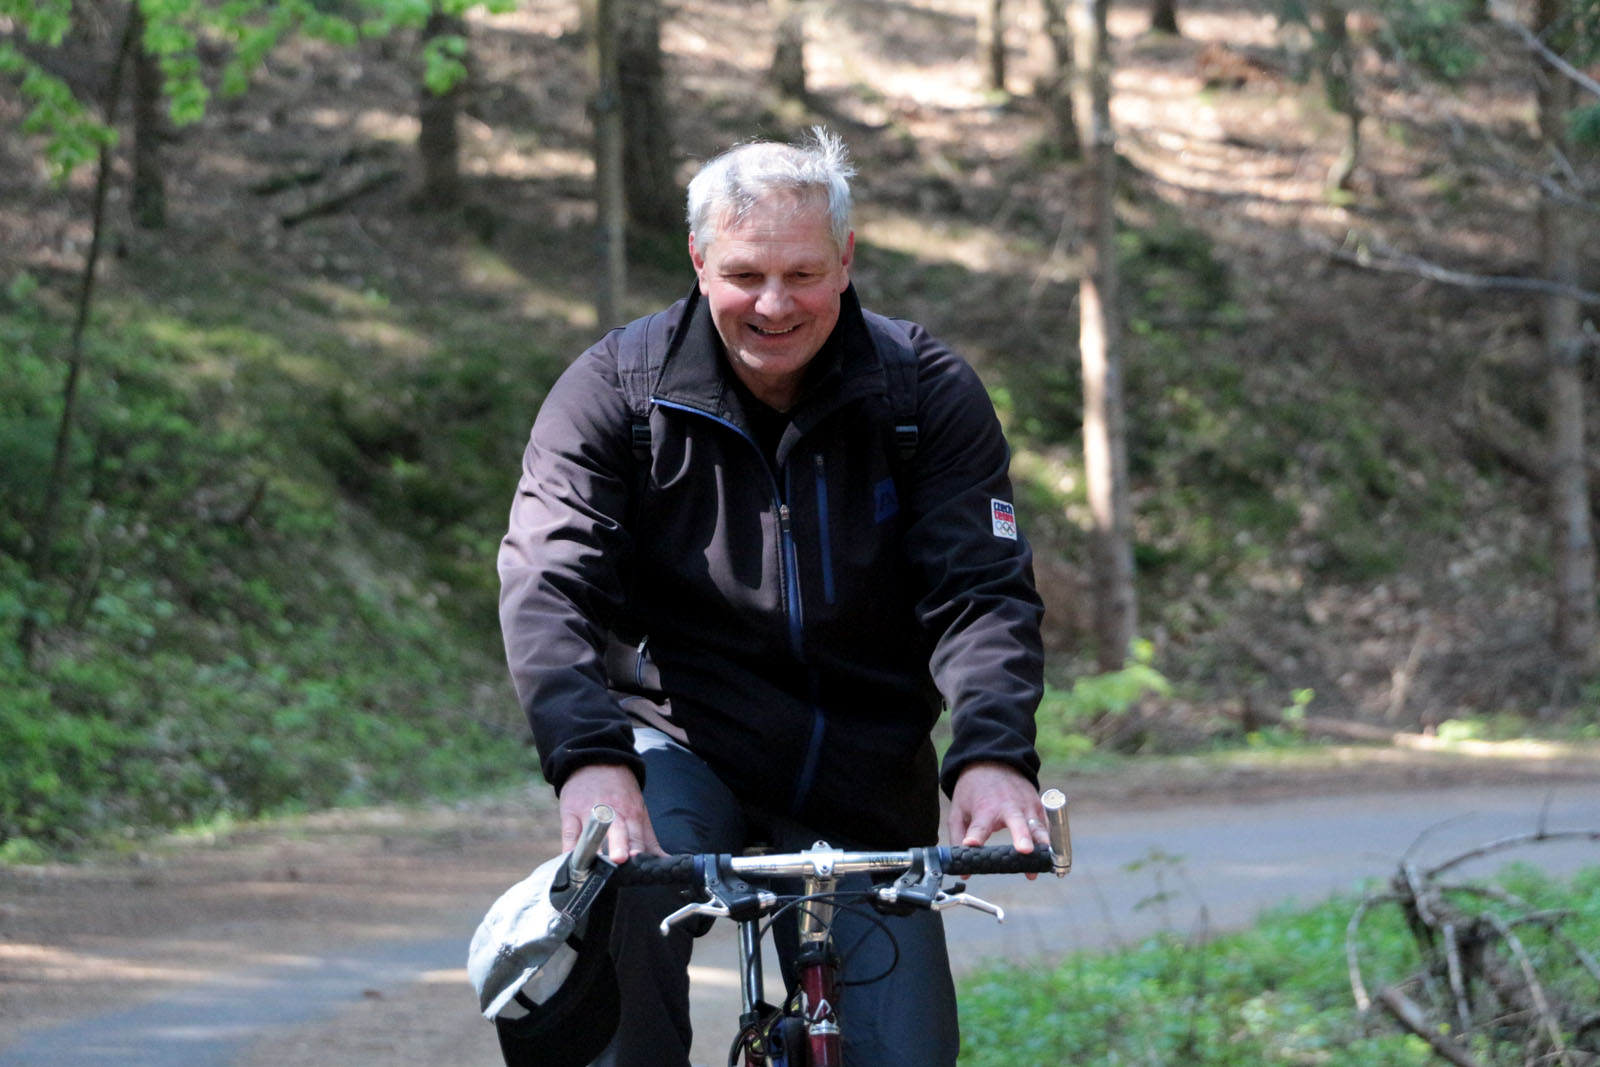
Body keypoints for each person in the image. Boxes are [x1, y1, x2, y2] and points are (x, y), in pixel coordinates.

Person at [497, 128, 1048, 1066]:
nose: (774, 303)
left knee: (903, 1053)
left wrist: (993, 755)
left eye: (802, 274)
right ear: (698, 260)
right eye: (745, 274)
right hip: (676, 742)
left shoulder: (923, 394)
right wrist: (588, 758)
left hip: (862, 767)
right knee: (622, 900)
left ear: (846, 259)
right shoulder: (615, 393)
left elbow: (981, 589)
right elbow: (548, 580)